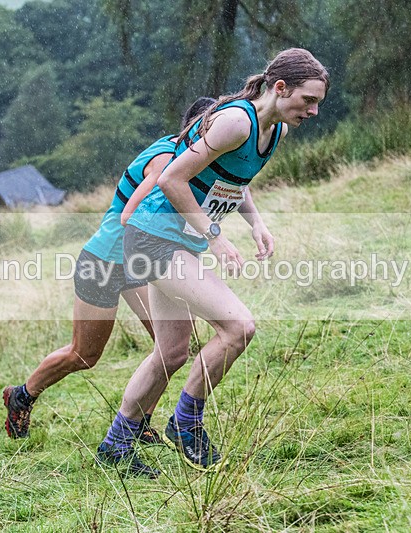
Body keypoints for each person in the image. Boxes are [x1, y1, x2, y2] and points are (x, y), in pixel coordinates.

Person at [97, 48, 329, 477]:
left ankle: (116, 444)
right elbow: (171, 178)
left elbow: (233, 180)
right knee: (240, 327)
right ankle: (187, 421)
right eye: (308, 100)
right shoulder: (237, 121)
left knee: (170, 352)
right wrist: (215, 236)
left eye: (317, 103)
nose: (313, 111)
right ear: (280, 89)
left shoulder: (271, 128)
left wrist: (256, 224)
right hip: (152, 239)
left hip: (169, 242)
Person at [2, 98, 217, 453]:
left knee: (170, 349)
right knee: (84, 355)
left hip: (137, 263)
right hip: (103, 262)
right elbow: (128, 217)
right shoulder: (166, 160)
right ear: (196, 128)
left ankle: (139, 422)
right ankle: (21, 396)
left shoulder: (188, 159)